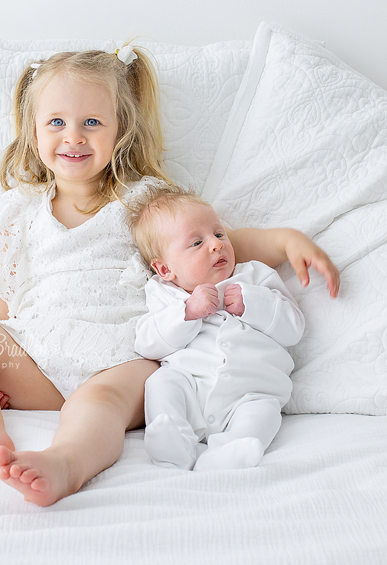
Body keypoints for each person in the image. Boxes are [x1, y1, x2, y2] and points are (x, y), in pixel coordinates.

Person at [0, 42, 340, 506]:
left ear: (120, 130)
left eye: (92, 122)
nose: (73, 136)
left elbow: (216, 244)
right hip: (38, 357)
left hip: (123, 359)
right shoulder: (16, 214)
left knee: (98, 407)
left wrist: (286, 241)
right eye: (56, 122)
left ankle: (66, 462)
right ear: (33, 131)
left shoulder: (143, 202)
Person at [129, 186, 304, 471]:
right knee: (161, 383)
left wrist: (254, 304)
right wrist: (186, 312)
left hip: (251, 391)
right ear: (164, 269)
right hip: (192, 389)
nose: (216, 244)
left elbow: (294, 329)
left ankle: (232, 449)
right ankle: (171, 435)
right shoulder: (164, 294)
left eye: (219, 234)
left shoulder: (255, 276)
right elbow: (146, 343)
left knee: (265, 412)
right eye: (196, 243)